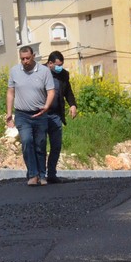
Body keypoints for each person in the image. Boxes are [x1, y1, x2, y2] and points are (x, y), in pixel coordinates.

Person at [6, 46, 55, 186]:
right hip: (22, 114)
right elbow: (10, 92)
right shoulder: (14, 71)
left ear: (33, 56)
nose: (25, 61)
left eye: (28, 58)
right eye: (22, 59)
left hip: (40, 114)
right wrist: (9, 113)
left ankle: (42, 174)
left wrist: (46, 105)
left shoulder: (44, 71)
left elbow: (51, 91)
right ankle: (33, 174)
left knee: (40, 144)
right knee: (27, 141)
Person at [43, 51, 77, 184]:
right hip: (41, 115)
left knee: (56, 145)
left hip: (56, 115)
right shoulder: (40, 72)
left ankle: (51, 173)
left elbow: (68, 91)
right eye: (57, 65)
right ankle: (40, 174)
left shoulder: (63, 75)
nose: (60, 68)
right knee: (40, 145)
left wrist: (72, 104)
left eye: (61, 65)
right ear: (49, 63)